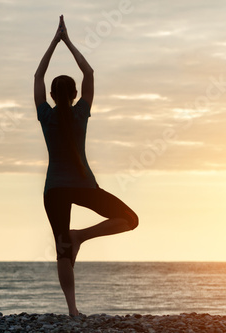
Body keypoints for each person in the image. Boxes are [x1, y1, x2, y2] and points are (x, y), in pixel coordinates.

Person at [34, 14, 139, 316]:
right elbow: (89, 71)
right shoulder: (81, 113)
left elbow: (37, 78)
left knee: (62, 250)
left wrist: (54, 42)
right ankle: (81, 236)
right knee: (130, 219)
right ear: (76, 95)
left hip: (54, 189)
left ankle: (73, 310)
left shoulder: (46, 115)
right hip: (83, 184)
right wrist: (68, 42)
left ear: (53, 96)